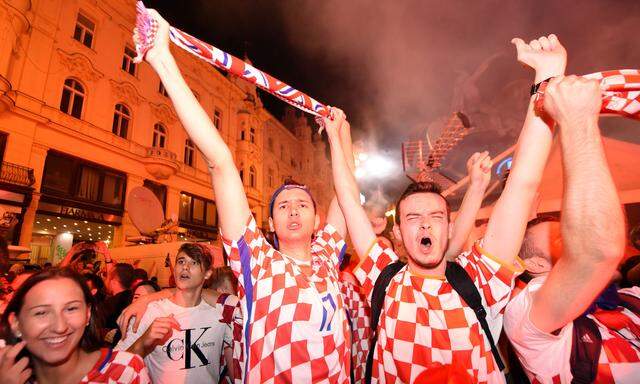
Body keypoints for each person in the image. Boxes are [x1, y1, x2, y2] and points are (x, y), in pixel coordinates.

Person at [122, 8, 357, 383]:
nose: (293, 209)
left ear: (317, 219)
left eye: (302, 204)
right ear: (270, 222)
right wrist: (162, 59)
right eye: (283, 205)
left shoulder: (328, 253)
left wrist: (339, 133)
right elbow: (220, 162)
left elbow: (348, 192)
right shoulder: (256, 260)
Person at [323, 34, 563, 383]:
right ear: (399, 233)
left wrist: (547, 79)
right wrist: (336, 134)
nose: (424, 225)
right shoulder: (384, 278)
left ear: (449, 229)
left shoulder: (477, 277)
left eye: (435, 216)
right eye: (412, 218)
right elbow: (347, 196)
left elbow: (523, 184)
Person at [503, 75, 635, 382]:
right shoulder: (526, 313)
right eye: (564, 237)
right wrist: (578, 123)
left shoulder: (625, 296)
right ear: (535, 264)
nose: (576, 234)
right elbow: (596, 250)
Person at [0, 268, 150, 384]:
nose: (60, 327)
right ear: (16, 323)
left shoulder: (124, 370)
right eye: (41, 312)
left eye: (71, 309)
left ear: (87, 315)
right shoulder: (8, 377)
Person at [115, 243, 237, 384]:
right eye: (181, 261)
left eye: (194, 262)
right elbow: (116, 366)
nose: (185, 267)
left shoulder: (220, 316)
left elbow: (236, 371)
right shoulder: (150, 312)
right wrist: (143, 342)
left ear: (208, 273)